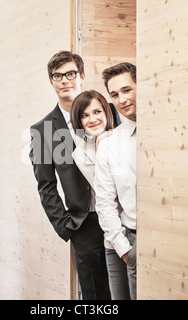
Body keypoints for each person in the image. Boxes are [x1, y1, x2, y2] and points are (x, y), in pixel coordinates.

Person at [29, 51, 120, 300]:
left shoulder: (107, 112)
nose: (64, 80)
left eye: (70, 74)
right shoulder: (43, 129)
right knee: (94, 292)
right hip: (84, 223)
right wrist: (66, 226)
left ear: (81, 76)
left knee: (128, 289)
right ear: (51, 82)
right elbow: (45, 185)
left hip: (121, 216)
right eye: (57, 76)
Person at [70, 90, 131, 300]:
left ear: (107, 111)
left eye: (97, 111)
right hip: (114, 232)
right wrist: (102, 146)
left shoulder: (127, 135)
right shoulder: (80, 153)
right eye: (84, 115)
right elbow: (106, 191)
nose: (92, 119)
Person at [94, 62, 137, 300]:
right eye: (114, 95)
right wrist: (126, 251)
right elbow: (105, 203)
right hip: (131, 240)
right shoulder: (109, 145)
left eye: (127, 90)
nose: (122, 99)